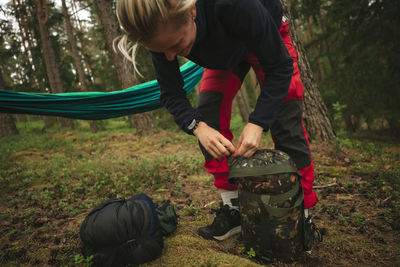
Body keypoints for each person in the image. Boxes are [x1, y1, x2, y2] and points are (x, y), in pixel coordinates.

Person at [116, 0, 318, 241]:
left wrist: (258, 122)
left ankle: (301, 215)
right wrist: (198, 127)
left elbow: (280, 67)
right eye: (161, 51)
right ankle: (234, 209)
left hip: (267, 38)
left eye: (175, 45)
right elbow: (171, 93)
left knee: (286, 121)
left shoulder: (233, 5)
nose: (169, 56)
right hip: (223, 55)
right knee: (208, 113)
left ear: (191, 12)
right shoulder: (159, 33)